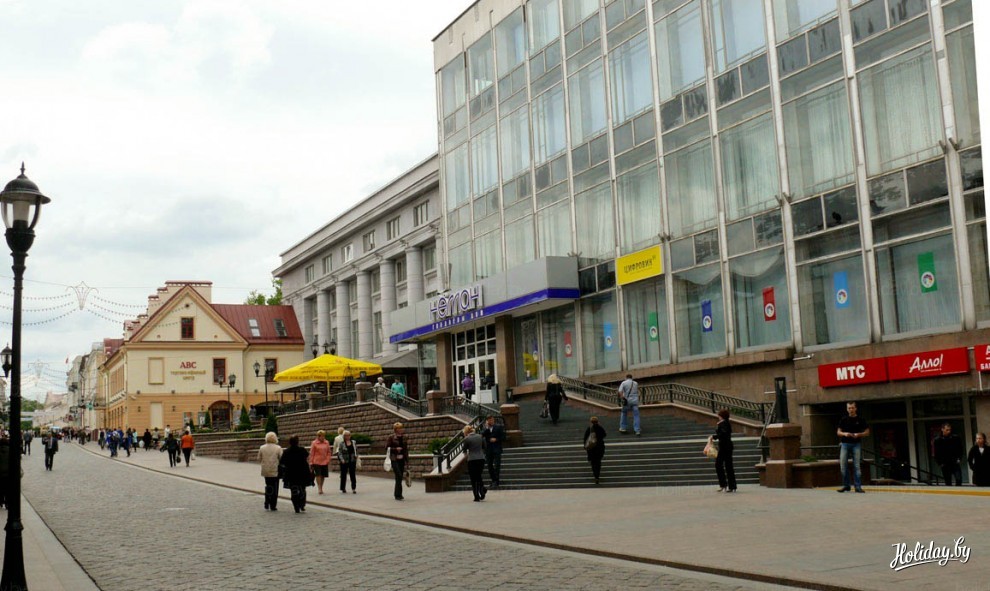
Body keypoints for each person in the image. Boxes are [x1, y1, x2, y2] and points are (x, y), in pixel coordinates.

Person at [836, 401, 869, 493]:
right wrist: (845, 434)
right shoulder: (843, 419)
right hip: (845, 444)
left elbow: (867, 432)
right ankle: (846, 485)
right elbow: (838, 432)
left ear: (856, 408)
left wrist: (859, 434)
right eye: (849, 408)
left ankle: (858, 487)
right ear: (847, 409)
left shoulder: (861, 419)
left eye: (852, 408)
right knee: (843, 465)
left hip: (856, 444)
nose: (851, 410)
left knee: (857, 466)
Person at [280, 435, 312, 513]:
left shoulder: (287, 451)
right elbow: (307, 456)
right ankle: (302, 504)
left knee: (293, 490)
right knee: (302, 489)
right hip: (302, 473)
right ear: (297, 442)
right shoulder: (302, 450)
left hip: (291, 474)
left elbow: (282, 462)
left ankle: (296, 507)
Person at [709, 409, 736, 493]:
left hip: (724, 447)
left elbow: (723, 434)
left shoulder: (723, 423)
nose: (718, 416)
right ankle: (731, 486)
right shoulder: (726, 423)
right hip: (727, 446)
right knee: (728, 466)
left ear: (722, 416)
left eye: (719, 415)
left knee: (719, 464)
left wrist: (714, 436)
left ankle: (724, 485)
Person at [258, 432, 283, 510]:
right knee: (275, 487)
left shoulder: (262, 447)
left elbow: (259, 458)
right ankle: (273, 505)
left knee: (268, 485)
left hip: (266, 470)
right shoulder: (278, 448)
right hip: (275, 470)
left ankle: (267, 501)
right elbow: (281, 458)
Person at [385, 422, 409, 500]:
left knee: (400, 476)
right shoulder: (391, 437)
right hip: (394, 459)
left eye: (401, 428)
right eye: (399, 428)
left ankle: (399, 494)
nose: (401, 429)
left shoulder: (404, 438)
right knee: (398, 475)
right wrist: (395, 449)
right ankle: (397, 494)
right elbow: (387, 448)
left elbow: (406, 450)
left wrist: (407, 460)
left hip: (402, 459)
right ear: (395, 429)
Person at [463, 425, 487, 501]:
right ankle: (482, 490)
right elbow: (484, 447)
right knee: (478, 475)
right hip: (481, 458)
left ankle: (476, 496)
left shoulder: (467, 439)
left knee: (473, 478)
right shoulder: (480, 437)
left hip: (472, 459)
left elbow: (464, 449)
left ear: (466, 432)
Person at [482, 415, 505, 487]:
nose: (490, 421)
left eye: (491, 420)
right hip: (489, 450)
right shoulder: (485, 428)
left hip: (497, 449)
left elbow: (503, 437)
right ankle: (493, 480)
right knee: (489, 466)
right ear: (487, 421)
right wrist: (486, 428)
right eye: (489, 420)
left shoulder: (498, 427)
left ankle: (496, 481)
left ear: (493, 420)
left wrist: (496, 439)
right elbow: (482, 435)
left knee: (497, 465)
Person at [583, 417, 606, 484]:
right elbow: (604, 434)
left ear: (591, 422)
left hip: (591, 448)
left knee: (593, 463)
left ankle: (595, 475)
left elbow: (585, 438)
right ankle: (597, 475)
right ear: (597, 421)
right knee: (598, 462)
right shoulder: (600, 428)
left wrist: (585, 446)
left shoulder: (589, 429)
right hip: (599, 447)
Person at [309, 430, 332, 495]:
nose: (323, 437)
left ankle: (321, 486)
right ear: (318, 436)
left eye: (324, 436)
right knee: (318, 475)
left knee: (323, 475)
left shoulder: (326, 442)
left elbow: (329, 452)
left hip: (324, 461)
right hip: (316, 461)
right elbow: (312, 453)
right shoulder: (314, 443)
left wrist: (328, 459)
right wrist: (311, 462)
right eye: (321, 436)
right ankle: (319, 488)